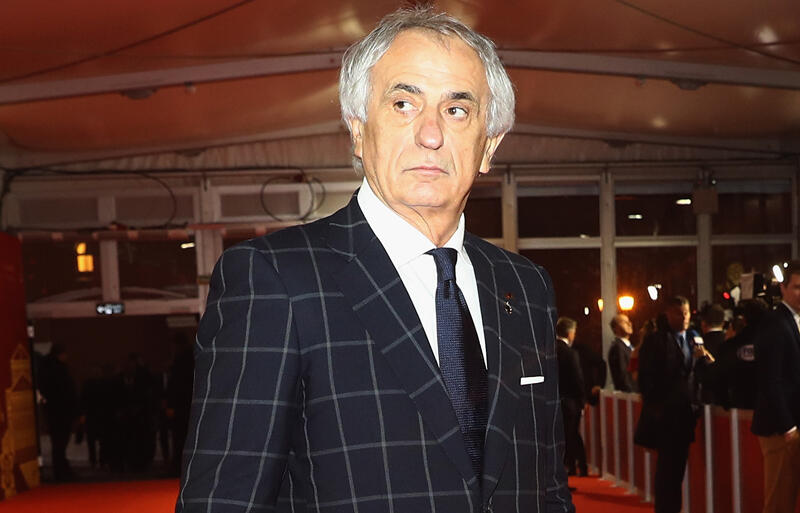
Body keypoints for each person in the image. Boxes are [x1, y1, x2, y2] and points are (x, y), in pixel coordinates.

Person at [177, 7, 574, 513]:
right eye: (404, 104)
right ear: (358, 130)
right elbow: (223, 500)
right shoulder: (275, 278)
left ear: (488, 146)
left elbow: (547, 487)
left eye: (457, 110)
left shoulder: (526, 287)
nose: (431, 134)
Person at [635, 296, 713, 513]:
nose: (684, 317)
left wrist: (706, 359)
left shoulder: (694, 338)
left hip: (687, 414)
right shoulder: (656, 341)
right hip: (666, 416)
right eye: (679, 313)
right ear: (668, 314)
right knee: (666, 472)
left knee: (677, 470)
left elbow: (701, 372)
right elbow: (646, 379)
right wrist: (657, 408)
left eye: (687, 312)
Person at [751, 260, 800, 513]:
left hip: (792, 424)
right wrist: (788, 427)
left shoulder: (794, 320)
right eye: (797, 287)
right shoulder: (774, 322)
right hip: (781, 430)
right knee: (780, 502)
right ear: (783, 288)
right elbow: (771, 379)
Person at [712, 299, 766, 410]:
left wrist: (726, 404)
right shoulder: (774, 345)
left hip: (737, 407)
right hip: (766, 408)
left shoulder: (728, 346)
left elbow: (719, 380)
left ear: (744, 319)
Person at [38, 343, 78, 481]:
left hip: (53, 411)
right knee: (60, 442)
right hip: (61, 411)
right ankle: (61, 470)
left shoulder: (46, 368)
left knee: (58, 442)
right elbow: (67, 391)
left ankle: (61, 469)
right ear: (60, 354)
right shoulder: (59, 370)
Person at [556, 317, 587, 478]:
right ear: (569, 333)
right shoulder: (570, 353)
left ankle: (571, 467)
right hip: (570, 402)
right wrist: (582, 401)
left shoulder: (548, 350)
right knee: (573, 435)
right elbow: (578, 379)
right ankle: (580, 466)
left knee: (561, 437)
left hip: (555, 402)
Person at [608, 313, 636, 392]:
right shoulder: (617, 348)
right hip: (629, 394)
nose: (629, 324)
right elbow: (623, 375)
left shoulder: (629, 346)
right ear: (616, 328)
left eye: (629, 321)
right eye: (624, 322)